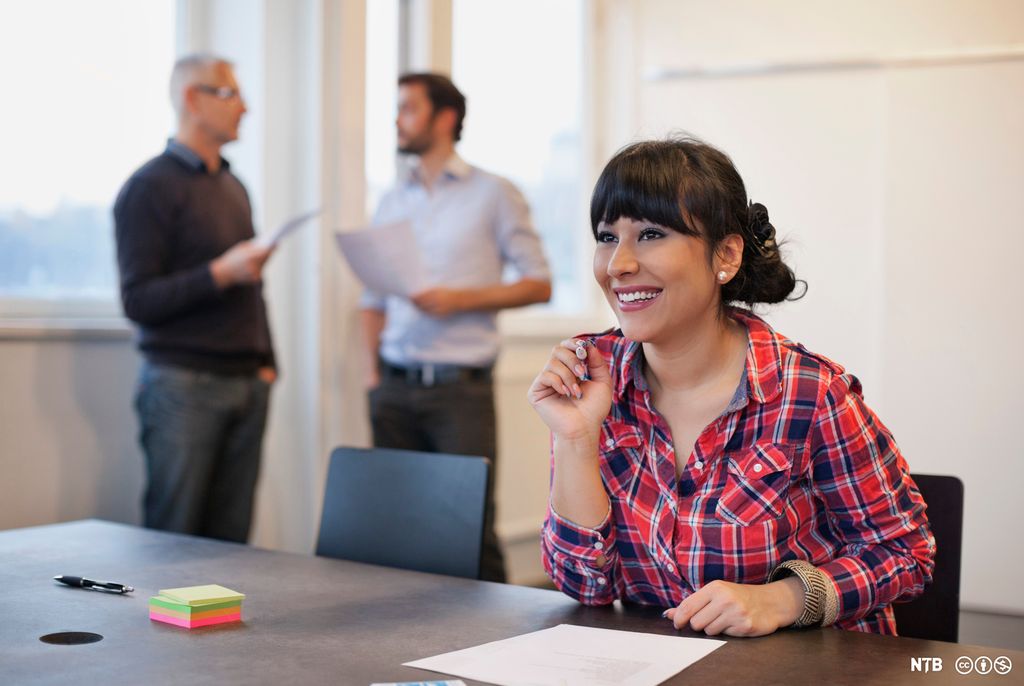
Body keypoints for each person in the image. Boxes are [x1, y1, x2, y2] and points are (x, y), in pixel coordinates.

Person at [528, 138, 934, 635]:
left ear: (725, 255)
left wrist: (784, 599)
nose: (618, 265)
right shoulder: (592, 377)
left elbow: (906, 553)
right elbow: (584, 587)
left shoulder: (810, 392)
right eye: (607, 237)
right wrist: (575, 438)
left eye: (652, 234)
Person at [360, 73, 552, 582]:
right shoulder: (390, 199)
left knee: (470, 528)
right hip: (393, 386)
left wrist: (458, 300)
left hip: (459, 392)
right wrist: (371, 376)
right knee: (397, 528)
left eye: (408, 108)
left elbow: (539, 283)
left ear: (444, 118)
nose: (397, 119)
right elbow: (372, 297)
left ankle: (498, 644)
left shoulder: (494, 193)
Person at [114, 54, 276, 543]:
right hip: (183, 386)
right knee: (173, 540)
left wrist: (268, 363)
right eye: (230, 94)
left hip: (248, 384)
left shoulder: (234, 187)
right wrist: (218, 274)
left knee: (231, 544)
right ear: (192, 99)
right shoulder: (147, 187)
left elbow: (252, 288)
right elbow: (138, 300)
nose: (244, 107)